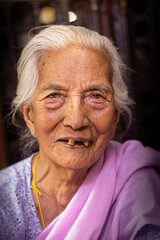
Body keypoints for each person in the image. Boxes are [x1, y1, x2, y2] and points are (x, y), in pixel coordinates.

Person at [0, 25, 160, 240]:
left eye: (95, 96)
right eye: (55, 95)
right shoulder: (4, 198)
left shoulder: (142, 188)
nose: (76, 121)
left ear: (114, 118)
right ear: (30, 117)